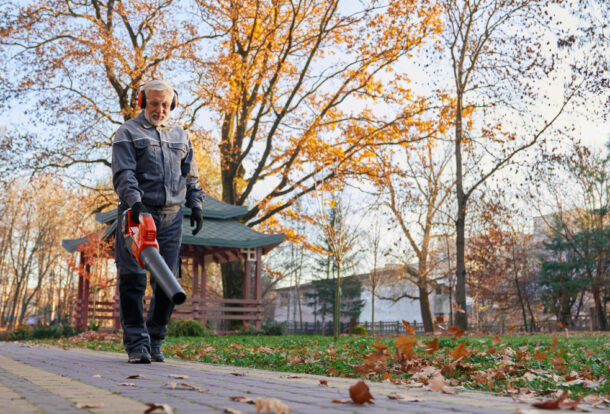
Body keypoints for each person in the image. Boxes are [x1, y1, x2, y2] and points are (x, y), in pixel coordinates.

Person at [112, 80, 204, 363]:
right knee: (133, 281)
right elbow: (124, 174)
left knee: (167, 282)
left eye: (165, 104)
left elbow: (191, 176)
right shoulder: (127, 133)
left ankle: (154, 340)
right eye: (154, 103)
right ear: (143, 101)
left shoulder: (181, 136)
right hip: (137, 214)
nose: (160, 109)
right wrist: (135, 202)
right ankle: (136, 344)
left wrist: (196, 204)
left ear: (172, 104)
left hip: (171, 218)